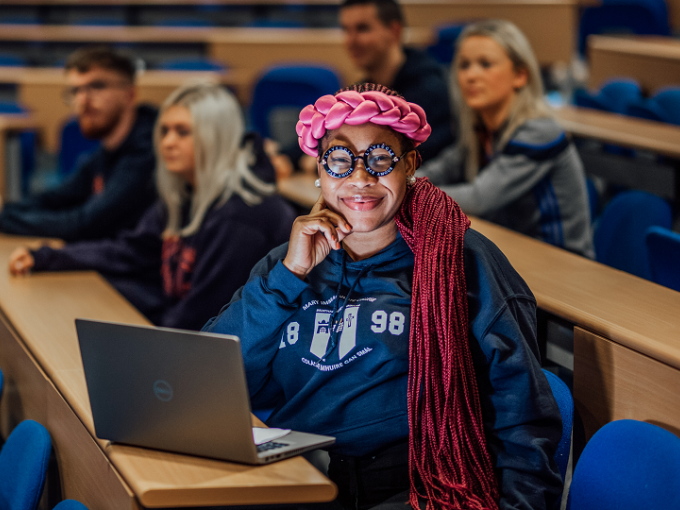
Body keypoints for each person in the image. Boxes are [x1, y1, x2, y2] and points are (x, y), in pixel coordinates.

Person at [204, 83, 563, 510]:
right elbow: (213, 376)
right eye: (339, 160)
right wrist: (289, 276)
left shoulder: (459, 261)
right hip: (292, 473)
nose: (360, 178)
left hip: (416, 482)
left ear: (410, 165)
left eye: (380, 158)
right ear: (319, 170)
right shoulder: (287, 263)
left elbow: (522, 410)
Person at [8, 83, 297, 332]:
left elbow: (201, 319)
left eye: (183, 132)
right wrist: (48, 258)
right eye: (165, 131)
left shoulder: (242, 215)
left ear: (217, 138)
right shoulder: (187, 193)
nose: (167, 143)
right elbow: (130, 251)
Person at [417, 20, 594, 259]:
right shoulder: (482, 131)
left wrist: (405, 192)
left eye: (485, 64)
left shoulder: (539, 132)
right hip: (514, 252)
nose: (471, 75)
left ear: (520, 75)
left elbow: (479, 198)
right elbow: (438, 170)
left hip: (561, 263)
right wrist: (398, 181)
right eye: (464, 65)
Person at [0, 46, 157, 242]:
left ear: (129, 94)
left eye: (97, 86)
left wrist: (5, 219)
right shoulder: (106, 151)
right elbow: (57, 199)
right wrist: (6, 209)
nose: (83, 100)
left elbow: (85, 225)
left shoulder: (148, 152)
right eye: (76, 90)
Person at [339, 0, 454, 163]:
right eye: (345, 30)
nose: (350, 41)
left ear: (394, 31)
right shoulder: (362, 91)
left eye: (362, 29)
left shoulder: (430, 89)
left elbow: (403, 156)